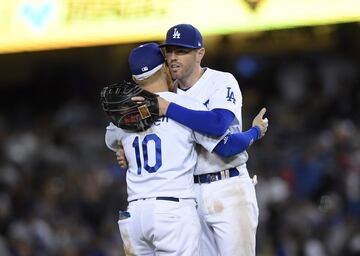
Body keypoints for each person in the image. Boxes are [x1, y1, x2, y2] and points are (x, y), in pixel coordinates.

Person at [105, 43, 268, 255]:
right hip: (171, 212)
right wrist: (256, 130)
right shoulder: (182, 106)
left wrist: (122, 148)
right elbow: (226, 147)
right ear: (165, 68)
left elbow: (110, 138)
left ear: (135, 79)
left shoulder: (124, 115)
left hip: (134, 215)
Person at [156, 24, 262, 256]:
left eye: (181, 51)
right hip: (188, 193)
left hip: (228, 185)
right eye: (169, 51)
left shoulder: (220, 81)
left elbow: (218, 124)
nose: (173, 58)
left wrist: (169, 108)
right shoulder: (168, 94)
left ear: (200, 53)